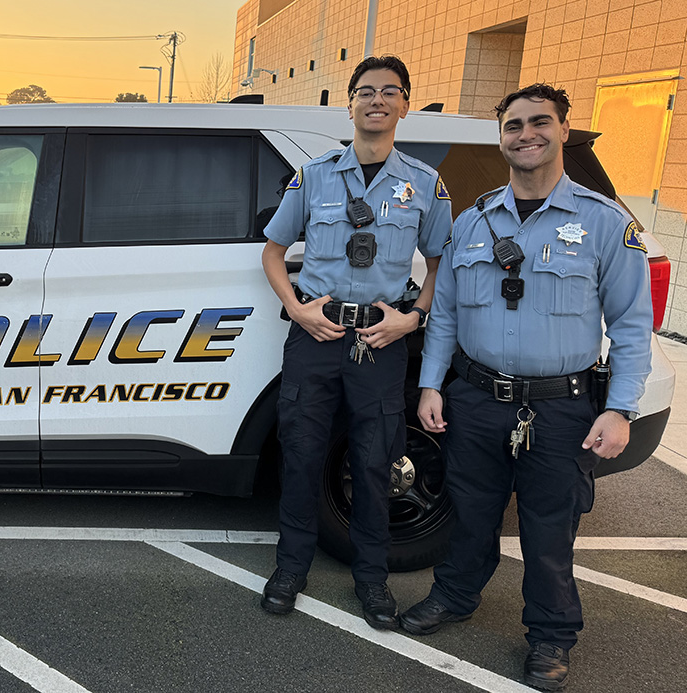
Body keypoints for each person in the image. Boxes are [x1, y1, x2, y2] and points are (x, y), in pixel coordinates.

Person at [400, 84, 652, 691]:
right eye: (513, 125)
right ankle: (455, 597)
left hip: (561, 407)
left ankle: (550, 636)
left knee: (548, 530)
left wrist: (619, 409)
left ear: (563, 130)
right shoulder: (472, 221)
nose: (526, 134)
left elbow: (631, 326)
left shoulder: (603, 224)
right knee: (471, 515)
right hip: (478, 399)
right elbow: (449, 317)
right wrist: (432, 385)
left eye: (540, 122)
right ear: (502, 138)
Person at [259, 56, 451, 627]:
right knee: (301, 457)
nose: (377, 100)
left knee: (375, 463)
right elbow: (273, 251)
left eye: (390, 91)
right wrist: (295, 308)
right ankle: (290, 569)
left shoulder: (424, 184)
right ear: (349, 104)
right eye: (365, 91)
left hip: (381, 341)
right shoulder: (314, 175)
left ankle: (372, 579)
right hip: (316, 337)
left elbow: (444, 263)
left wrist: (412, 318)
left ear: (404, 104)